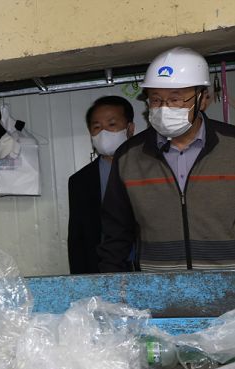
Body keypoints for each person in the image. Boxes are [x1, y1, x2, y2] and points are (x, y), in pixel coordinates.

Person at [98, 47, 235, 272]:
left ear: (203, 100)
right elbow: (116, 234)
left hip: (228, 286)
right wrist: (110, 290)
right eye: (156, 100)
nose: (164, 108)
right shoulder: (129, 156)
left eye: (176, 99)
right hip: (158, 289)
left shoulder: (231, 146)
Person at [67, 96, 135, 273]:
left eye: (112, 125)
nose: (103, 132)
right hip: (103, 272)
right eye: (97, 127)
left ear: (130, 128)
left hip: (150, 270)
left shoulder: (153, 169)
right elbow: (77, 240)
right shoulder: (79, 181)